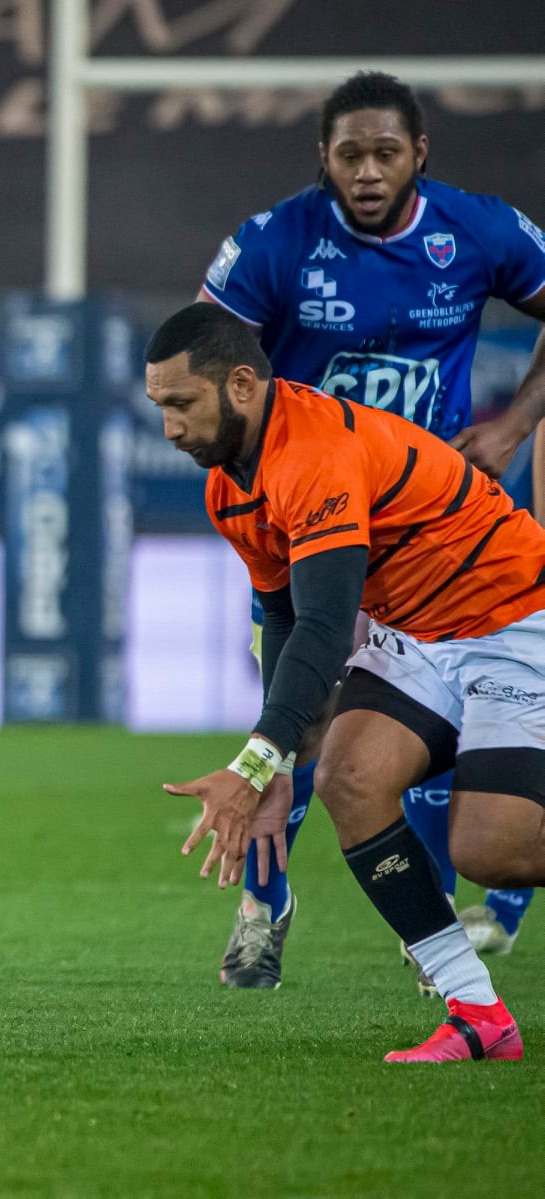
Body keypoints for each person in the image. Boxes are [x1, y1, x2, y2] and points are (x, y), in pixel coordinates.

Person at [196, 70, 545, 988]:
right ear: (323, 158)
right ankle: (263, 908)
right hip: (313, 523)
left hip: (432, 536)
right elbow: (208, 360)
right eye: (349, 153)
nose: (367, 169)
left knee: (417, 747)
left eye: (386, 151)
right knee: (300, 719)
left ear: (419, 155)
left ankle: (450, 921)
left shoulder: (474, 231)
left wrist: (514, 425)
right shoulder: (275, 244)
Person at [149, 302, 543, 1063]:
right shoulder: (229, 486)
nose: (169, 428)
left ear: (240, 384)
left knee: (490, 850)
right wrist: (284, 760)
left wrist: (253, 761)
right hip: (419, 633)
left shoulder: (315, 452)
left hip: (513, 616)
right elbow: (287, 620)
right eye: (159, 407)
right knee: (350, 778)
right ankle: (479, 1017)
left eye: (180, 405)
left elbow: (330, 629)